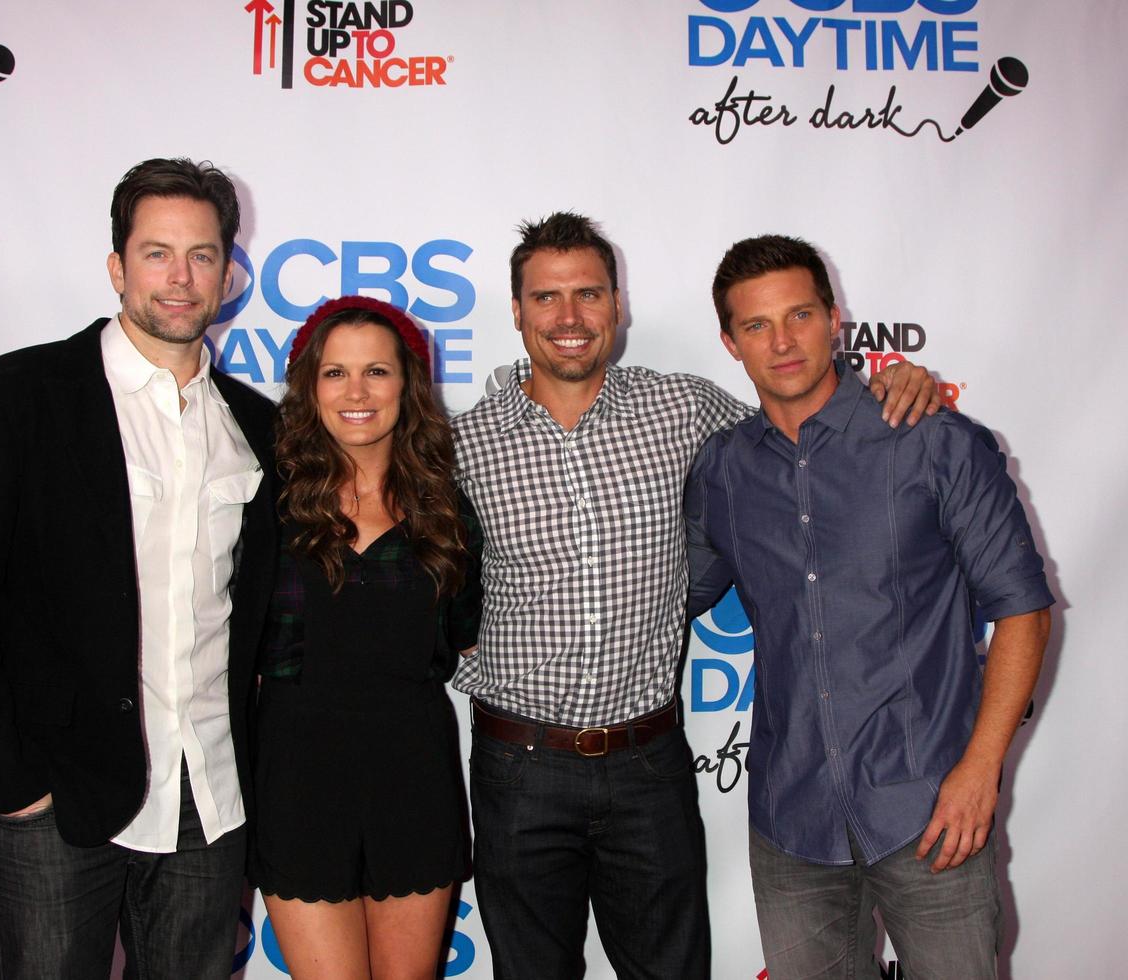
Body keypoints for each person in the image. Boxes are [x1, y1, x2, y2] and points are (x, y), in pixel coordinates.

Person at [450, 212, 942, 978]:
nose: (569, 318)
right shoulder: (465, 442)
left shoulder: (683, 409)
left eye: (588, 294)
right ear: (517, 312)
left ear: (618, 306)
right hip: (519, 767)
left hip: (648, 765)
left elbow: (803, 437)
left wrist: (891, 385)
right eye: (546, 298)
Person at [0, 158, 277, 979]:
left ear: (228, 272)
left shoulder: (257, 427)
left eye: (201, 255)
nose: (180, 278)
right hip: (57, 801)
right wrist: (9, 781)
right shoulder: (17, 396)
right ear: (117, 266)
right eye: (156, 253)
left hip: (210, 801)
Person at [685, 234, 1055, 979]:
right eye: (757, 326)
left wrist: (982, 769)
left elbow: (1023, 609)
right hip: (791, 823)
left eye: (800, 316)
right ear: (730, 342)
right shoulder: (722, 470)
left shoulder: (933, 441)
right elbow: (664, 596)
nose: (782, 342)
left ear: (834, 319)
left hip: (932, 812)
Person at [252, 295, 482, 980]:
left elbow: (461, 638)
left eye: (376, 372)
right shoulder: (266, 503)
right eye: (334, 373)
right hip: (296, 779)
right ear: (308, 388)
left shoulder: (447, 508)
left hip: (413, 777)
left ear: (408, 384)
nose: (356, 392)